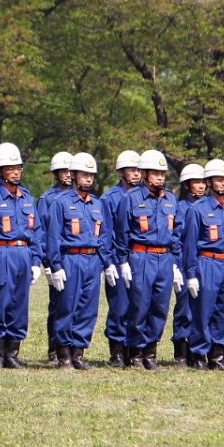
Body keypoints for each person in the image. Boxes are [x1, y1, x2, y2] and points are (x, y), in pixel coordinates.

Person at [0, 142, 44, 369]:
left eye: (18, 167)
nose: (16, 172)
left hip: (23, 252)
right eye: (10, 167)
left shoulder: (27, 196)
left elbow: (36, 230)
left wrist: (36, 261)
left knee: (18, 303)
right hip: (0, 251)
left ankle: (12, 352)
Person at [44, 152, 115, 369]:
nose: (89, 179)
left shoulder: (97, 204)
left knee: (88, 308)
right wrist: (55, 266)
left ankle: (78, 353)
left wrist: (108, 262)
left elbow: (103, 236)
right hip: (70, 258)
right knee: (67, 306)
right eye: (84, 174)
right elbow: (53, 236)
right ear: (73, 175)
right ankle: (63, 353)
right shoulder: (60, 202)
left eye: (91, 175)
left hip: (92, 260)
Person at [112, 149, 180, 370]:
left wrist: (176, 263)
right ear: (144, 174)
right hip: (141, 256)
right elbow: (121, 232)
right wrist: (123, 261)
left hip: (165, 258)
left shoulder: (171, 199)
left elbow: (177, 232)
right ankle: (135, 353)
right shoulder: (130, 198)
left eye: (163, 173)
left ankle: (151, 353)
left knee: (160, 307)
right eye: (155, 173)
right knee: (139, 306)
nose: (160, 177)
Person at [181, 159, 224, 370]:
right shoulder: (197, 209)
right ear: (209, 182)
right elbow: (189, 245)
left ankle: (218, 355)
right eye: (219, 179)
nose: (223, 184)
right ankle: (198, 354)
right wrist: (190, 274)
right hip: (207, 263)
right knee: (203, 311)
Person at [100, 150, 142, 367]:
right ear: (122, 172)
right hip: (117, 258)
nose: (136, 174)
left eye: (138, 170)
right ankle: (117, 351)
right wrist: (108, 262)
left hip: (140, 258)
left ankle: (134, 350)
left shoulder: (145, 196)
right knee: (119, 305)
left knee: (140, 305)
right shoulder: (110, 198)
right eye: (132, 170)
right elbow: (105, 232)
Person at [40, 151, 75, 363]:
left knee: (75, 304)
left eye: (71, 171)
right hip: (56, 259)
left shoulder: (79, 198)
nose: (68, 175)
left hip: (74, 259)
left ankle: (72, 345)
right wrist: (46, 263)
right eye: (64, 171)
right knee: (57, 304)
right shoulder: (47, 199)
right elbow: (43, 232)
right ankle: (54, 347)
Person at [171, 163, 206, 368]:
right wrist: (176, 265)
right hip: (185, 263)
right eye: (196, 182)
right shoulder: (181, 208)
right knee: (184, 308)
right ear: (187, 186)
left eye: (203, 182)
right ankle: (181, 352)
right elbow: (176, 239)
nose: (201, 186)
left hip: (206, 263)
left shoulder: (208, 207)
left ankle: (197, 350)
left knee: (202, 309)